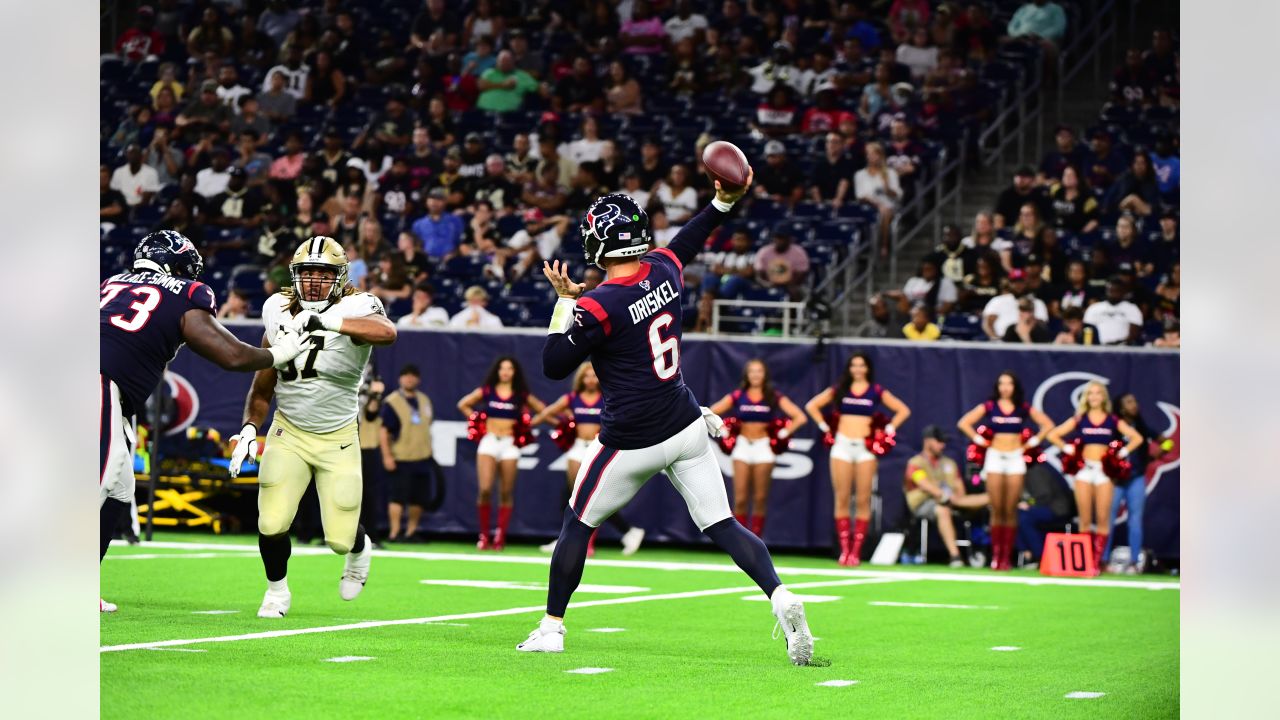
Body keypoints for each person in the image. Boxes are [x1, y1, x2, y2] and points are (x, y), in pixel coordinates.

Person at [522, 174, 815, 666]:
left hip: (631, 439)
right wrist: (723, 200)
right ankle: (781, 597)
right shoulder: (664, 269)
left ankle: (552, 626)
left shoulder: (598, 303)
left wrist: (565, 299)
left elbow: (552, 365)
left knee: (578, 523)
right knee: (723, 523)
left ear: (600, 243)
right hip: (686, 424)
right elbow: (692, 236)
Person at [100, 231, 309, 612]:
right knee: (94, 488)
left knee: (118, 488)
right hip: (97, 387)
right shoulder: (186, 292)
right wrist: (279, 353)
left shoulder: (112, 283)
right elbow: (230, 355)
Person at [226, 236, 398, 619]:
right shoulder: (276, 308)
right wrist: (251, 427)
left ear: (339, 278)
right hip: (289, 429)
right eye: (307, 273)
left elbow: (387, 333)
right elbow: (263, 382)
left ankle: (358, 548)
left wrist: (328, 321)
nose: (315, 281)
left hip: (337, 434)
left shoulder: (359, 305)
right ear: (295, 275)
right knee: (271, 521)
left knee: (338, 538)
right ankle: (276, 592)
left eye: (323, 273)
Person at [805, 352, 912, 567]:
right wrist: (825, 427)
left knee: (863, 499)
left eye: (862, 365)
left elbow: (903, 410)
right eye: (854, 365)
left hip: (865, 448)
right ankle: (844, 550)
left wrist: (888, 429)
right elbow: (812, 406)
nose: (858, 369)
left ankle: (856, 551)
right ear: (849, 368)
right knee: (842, 497)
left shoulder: (876, 391)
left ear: (868, 368)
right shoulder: (840, 389)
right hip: (842, 446)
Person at [531, 363, 646, 556]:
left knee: (590, 495)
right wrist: (565, 424)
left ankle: (613, 535)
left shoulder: (607, 398)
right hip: (577, 448)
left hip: (598, 448)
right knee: (574, 495)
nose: (590, 379)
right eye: (586, 376)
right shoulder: (571, 398)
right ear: (581, 379)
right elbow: (546, 414)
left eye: (594, 375)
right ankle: (571, 539)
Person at [957, 371, 1055, 570]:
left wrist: (1033, 442)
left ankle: (1006, 557)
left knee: (1010, 509)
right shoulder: (990, 406)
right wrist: (979, 440)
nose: (1005, 387)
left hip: (1015, 459)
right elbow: (964, 423)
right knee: (996, 507)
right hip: (994, 457)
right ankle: (996, 556)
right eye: (1001, 383)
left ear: (1014, 386)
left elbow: (1047, 424)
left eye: (1009, 383)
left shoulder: (1022, 407)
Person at [1047, 381, 1145, 573]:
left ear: (1103, 397)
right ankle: (1085, 562)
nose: (1094, 397)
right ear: (1086, 397)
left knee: (1102, 518)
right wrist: (1067, 448)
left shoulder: (1113, 420)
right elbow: (1053, 435)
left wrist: (1122, 453)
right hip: (1084, 470)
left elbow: (1137, 438)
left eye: (1098, 393)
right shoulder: (1079, 418)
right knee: (1084, 518)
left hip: (1104, 471)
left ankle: (1096, 561)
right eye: (1090, 393)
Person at [708, 359, 808, 538]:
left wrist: (784, 433)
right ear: (746, 375)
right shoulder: (738, 395)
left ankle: (756, 541)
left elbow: (800, 417)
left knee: (760, 498)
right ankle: (739, 540)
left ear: (765, 374)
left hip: (764, 449)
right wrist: (723, 431)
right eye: (752, 371)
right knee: (740, 499)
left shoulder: (773, 396)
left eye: (759, 371)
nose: (755, 375)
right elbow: (711, 412)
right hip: (743, 447)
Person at [457, 357, 545, 550]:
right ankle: (484, 535)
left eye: (509, 368)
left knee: (506, 491)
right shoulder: (487, 391)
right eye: (502, 368)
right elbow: (463, 404)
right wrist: (477, 420)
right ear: (497, 371)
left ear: (515, 372)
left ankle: (500, 536)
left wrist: (527, 425)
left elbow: (543, 411)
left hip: (509, 444)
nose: (505, 372)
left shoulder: (520, 394)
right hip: (489, 440)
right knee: (485, 489)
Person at [904, 426, 989, 567]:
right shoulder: (915, 463)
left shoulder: (949, 463)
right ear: (927, 441)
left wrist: (956, 498)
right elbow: (923, 484)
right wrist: (944, 496)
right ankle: (955, 556)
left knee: (990, 499)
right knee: (942, 510)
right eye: (939, 441)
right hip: (924, 503)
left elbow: (959, 487)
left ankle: (993, 554)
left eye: (944, 442)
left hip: (953, 502)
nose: (942, 445)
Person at [380, 364, 441, 543]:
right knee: (397, 496)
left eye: (413, 375)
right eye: (406, 375)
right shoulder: (392, 402)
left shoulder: (424, 400)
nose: (409, 379)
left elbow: (427, 425)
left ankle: (411, 531)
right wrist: (387, 456)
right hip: (401, 456)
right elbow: (384, 431)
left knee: (418, 498)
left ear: (418, 379)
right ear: (400, 379)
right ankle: (395, 532)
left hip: (421, 456)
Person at [1107, 393, 1165, 573]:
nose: (1134, 405)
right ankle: (1102, 560)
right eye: (1129, 402)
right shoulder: (1112, 425)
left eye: (1135, 401)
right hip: (1115, 479)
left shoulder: (1141, 426)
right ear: (1121, 406)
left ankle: (1134, 562)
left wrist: (1157, 454)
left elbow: (1166, 442)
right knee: (1106, 519)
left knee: (1135, 520)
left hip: (1136, 477)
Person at [854, 142, 902, 254]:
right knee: (880, 210)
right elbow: (860, 195)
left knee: (885, 211)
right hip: (867, 206)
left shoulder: (890, 173)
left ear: (881, 156)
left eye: (874, 154)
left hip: (888, 207)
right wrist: (877, 204)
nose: (871, 157)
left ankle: (883, 246)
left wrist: (887, 189)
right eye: (869, 154)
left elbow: (898, 195)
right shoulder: (860, 174)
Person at [357, 376, 386, 549]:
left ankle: (371, 535)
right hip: (342, 445)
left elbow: (371, 413)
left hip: (366, 446)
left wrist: (375, 394)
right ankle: (333, 533)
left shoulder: (371, 391)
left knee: (369, 494)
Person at [982, 269, 1049, 339]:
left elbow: (1042, 326)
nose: (1018, 285)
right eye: (1014, 282)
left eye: (1021, 281)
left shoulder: (1037, 303)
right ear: (1009, 283)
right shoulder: (997, 300)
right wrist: (995, 339)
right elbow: (988, 323)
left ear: (1027, 282)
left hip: (1028, 341)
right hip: (1002, 341)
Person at [1083, 276, 1143, 345]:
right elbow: (1087, 330)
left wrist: (1117, 344)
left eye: (1117, 291)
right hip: (1098, 348)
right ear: (1106, 290)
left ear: (1123, 292)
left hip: (1123, 348)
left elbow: (1134, 334)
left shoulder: (1132, 308)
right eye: (1111, 291)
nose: (1113, 294)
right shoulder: (1094, 308)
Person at [477, 50, 542, 113]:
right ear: (497, 62)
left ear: (513, 62)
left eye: (508, 61)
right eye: (502, 61)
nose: (504, 63)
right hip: (483, 112)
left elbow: (538, 87)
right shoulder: (489, 72)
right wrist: (503, 85)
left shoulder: (522, 75)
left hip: (509, 116)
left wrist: (543, 87)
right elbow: (481, 86)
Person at [754, 230, 810, 300]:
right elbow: (759, 274)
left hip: (792, 283)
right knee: (755, 290)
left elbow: (802, 273)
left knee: (796, 292)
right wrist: (766, 284)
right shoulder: (764, 251)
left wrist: (790, 283)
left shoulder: (798, 252)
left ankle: (794, 310)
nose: (780, 241)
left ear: (789, 239)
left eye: (782, 238)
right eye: (777, 238)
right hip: (769, 282)